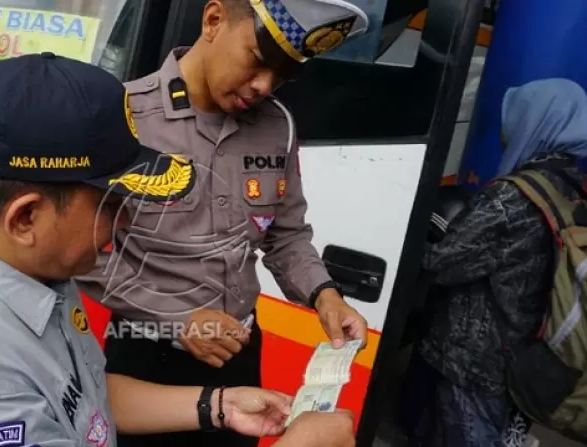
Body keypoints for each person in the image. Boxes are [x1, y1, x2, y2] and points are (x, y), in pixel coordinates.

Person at [0, 53, 358, 447]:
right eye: (111, 206)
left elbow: (88, 400)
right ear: (26, 217)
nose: (121, 230)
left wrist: (219, 406)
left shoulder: (35, 282)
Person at [74, 1, 371, 445]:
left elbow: (286, 235)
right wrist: (176, 318)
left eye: (284, 73)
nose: (265, 85)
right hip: (146, 365)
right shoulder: (126, 118)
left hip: (240, 362)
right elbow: (80, 251)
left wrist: (325, 295)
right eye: (258, 59)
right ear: (213, 20)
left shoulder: (278, 127)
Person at [406, 77, 587, 447]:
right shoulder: (579, 191)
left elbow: (443, 264)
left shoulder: (512, 197)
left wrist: (429, 229)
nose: (507, 131)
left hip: (478, 364)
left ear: (537, 122)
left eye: (517, 118)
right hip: (534, 356)